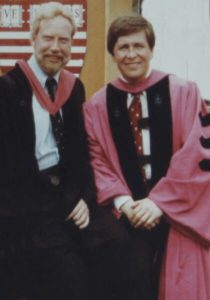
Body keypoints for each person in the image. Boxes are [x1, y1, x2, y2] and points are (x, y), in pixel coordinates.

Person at [0, 4, 143, 300]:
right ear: (34, 39)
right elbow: (10, 167)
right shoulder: (8, 90)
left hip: (71, 192)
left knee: (122, 249)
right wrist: (64, 202)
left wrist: (83, 198)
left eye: (63, 41)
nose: (55, 47)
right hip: (28, 203)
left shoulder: (73, 88)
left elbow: (80, 153)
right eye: (48, 39)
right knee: (70, 276)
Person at [83, 15, 210, 300]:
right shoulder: (98, 105)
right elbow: (97, 161)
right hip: (127, 214)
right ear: (113, 54)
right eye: (123, 47)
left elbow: (198, 155)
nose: (131, 54)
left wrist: (159, 202)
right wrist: (126, 204)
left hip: (179, 211)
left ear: (152, 50)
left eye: (138, 46)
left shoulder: (184, 92)